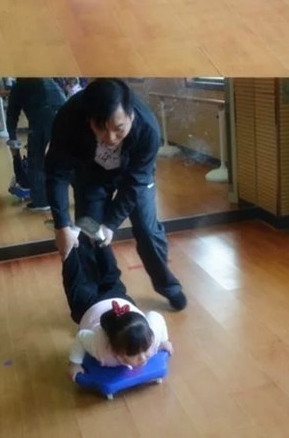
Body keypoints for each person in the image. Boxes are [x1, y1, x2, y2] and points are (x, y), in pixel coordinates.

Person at [45, 78, 187, 311]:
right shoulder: (69, 118)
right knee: (89, 233)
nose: (110, 137)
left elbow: (135, 183)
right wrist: (61, 225)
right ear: (89, 119)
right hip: (91, 178)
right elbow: (56, 172)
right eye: (101, 128)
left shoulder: (148, 128)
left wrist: (111, 224)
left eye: (119, 128)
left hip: (134, 178)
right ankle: (101, 298)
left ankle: (168, 286)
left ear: (131, 116)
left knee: (148, 231)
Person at [64, 237, 173, 379]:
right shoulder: (101, 348)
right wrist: (75, 362)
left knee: (104, 275)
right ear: (115, 350)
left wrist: (163, 340)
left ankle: (95, 239)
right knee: (99, 275)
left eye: (145, 350)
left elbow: (156, 316)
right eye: (133, 354)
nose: (143, 358)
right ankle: (86, 243)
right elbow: (81, 336)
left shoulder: (151, 340)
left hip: (117, 300)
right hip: (89, 306)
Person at [5, 78, 67, 212]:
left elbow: (12, 114)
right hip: (65, 114)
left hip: (42, 116)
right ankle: (81, 195)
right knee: (66, 157)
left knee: (36, 160)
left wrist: (12, 137)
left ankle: (41, 201)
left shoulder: (19, 86)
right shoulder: (49, 80)